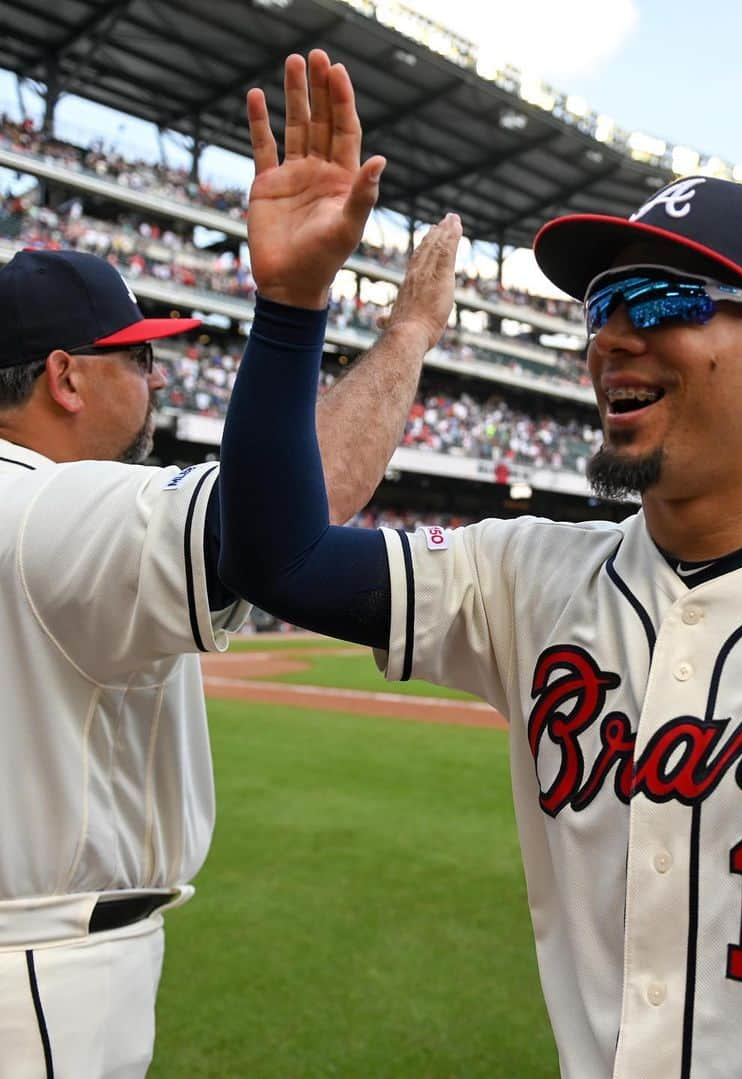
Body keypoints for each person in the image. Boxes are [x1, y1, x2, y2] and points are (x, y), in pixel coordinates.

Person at [218, 51, 742, 1077]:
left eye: (666, 300)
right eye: (602, 305)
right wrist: (292, 306)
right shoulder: (524, 576)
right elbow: (280, 557)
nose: (613, 338)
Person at [0, 92, 455, 1075]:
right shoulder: (46, 509)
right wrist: (401, 328)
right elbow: (279, 521)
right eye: (137, 358)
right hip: (37, 978)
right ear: (66, 378)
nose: (157, 380)